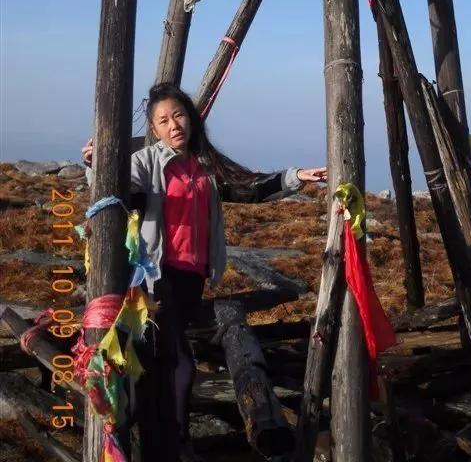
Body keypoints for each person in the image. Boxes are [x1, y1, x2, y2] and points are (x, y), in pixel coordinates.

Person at [82, 82, 326, 462]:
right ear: (154, 128)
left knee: (162, 361)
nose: (173, 124)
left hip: (192, 277)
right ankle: (175, 444)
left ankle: (162, 443)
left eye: (178, 115)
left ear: (191, 118)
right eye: (163, 120)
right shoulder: (147, 163)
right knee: (179, 360)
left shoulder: (206, 166)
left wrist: (296, 177)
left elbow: (250, 188)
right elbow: (119, 195)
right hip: (155, 275)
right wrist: (98, 164)